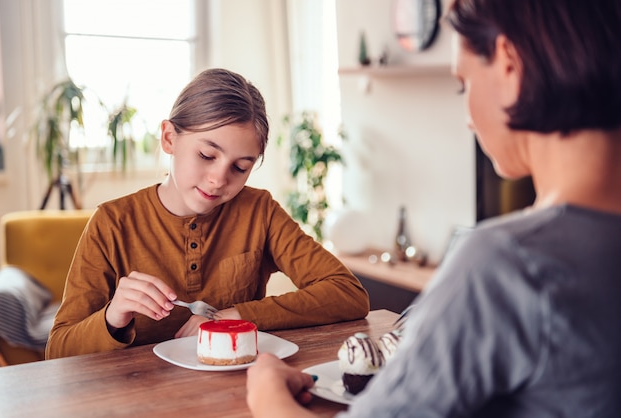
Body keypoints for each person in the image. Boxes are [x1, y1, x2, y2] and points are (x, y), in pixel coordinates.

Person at [245, 0, 621, 416]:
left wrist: (266, 395)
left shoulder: (508, 264)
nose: (468, 119)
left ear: (510, 66)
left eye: (464, 83)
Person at [46, 68, 369, 359]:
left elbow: (348, 293)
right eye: (206, 155)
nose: (219, 179)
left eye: (240, 168)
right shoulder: (112, 223)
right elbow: (58, 350)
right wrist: (112, 317)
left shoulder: (259, 211)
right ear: (169, 138)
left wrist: (234, 315)